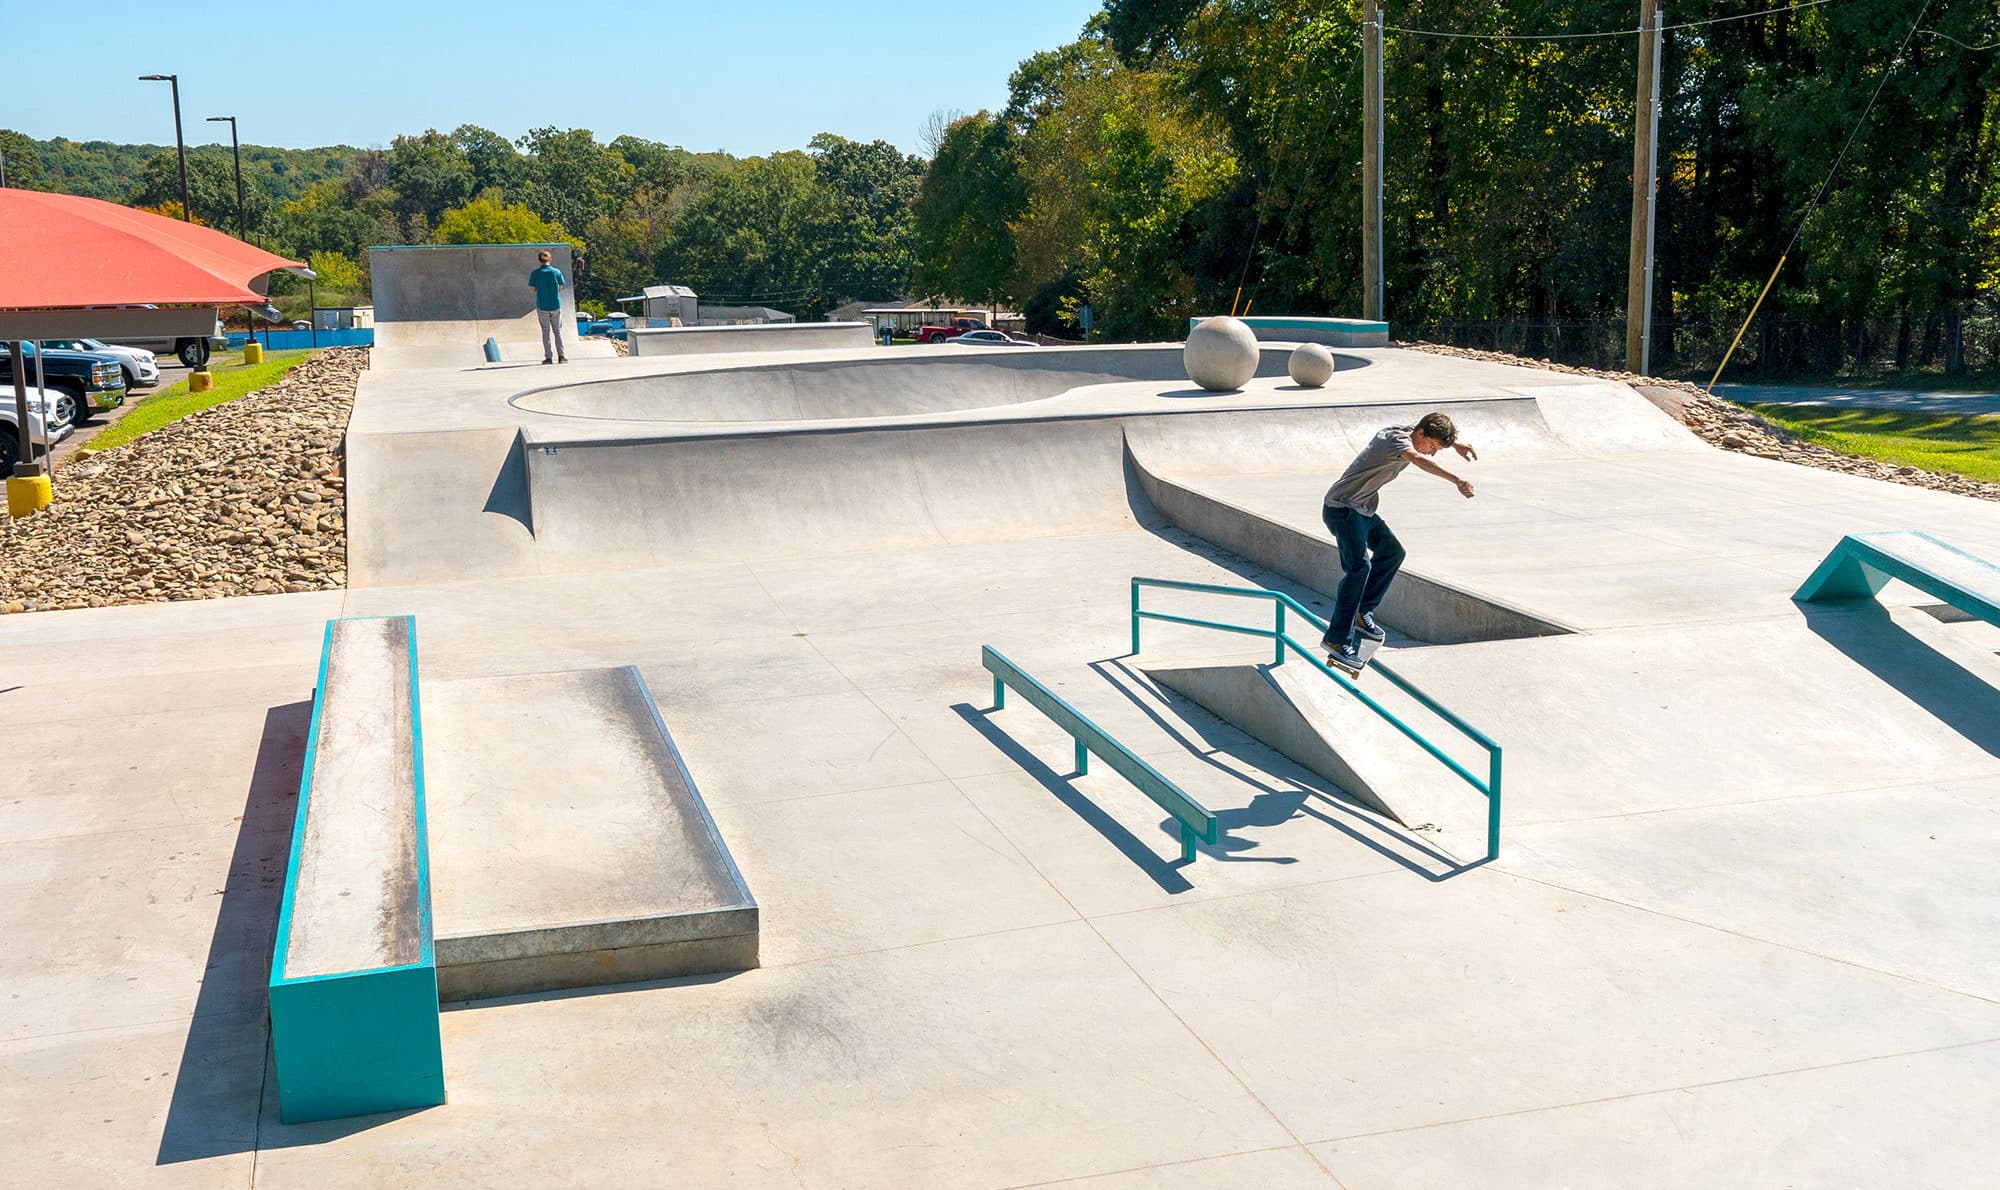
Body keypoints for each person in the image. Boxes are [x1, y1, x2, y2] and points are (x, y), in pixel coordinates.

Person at [1320, 411, 1478, 672]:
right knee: (1359, 569)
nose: (1431, 453)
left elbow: (1427, 429)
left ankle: (1362, 612)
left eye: (1437, 449)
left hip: (1362, 510)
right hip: (1342, 509)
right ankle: (1337, 640)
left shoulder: (1410, 431)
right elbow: (1416, 458)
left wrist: (1454, 444)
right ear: (1421, 434)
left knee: (1393, 552)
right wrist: (1456, 479)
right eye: (1432, 446)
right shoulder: (1396, 441)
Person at [529, 249, 568, 364]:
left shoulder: (535, 273)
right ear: (550, 259)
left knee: (545, 331)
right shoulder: (556, 272)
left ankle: (548, 357)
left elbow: (532, 289)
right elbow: (561, 286)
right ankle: (561, 356)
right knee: (557, 331)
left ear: (539, 260)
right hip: (555, 304)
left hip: (542, 305)